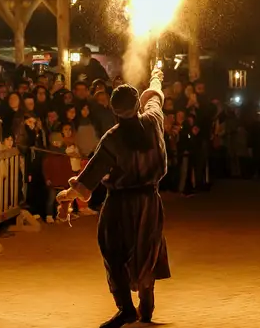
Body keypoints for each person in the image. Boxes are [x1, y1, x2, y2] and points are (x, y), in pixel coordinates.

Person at [56, 68, 171, 328]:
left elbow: (89, 178)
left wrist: (69, 193)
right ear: (136, 104)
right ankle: (146, 299)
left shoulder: (113, 137)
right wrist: (156, 76)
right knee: (146, 248)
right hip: (150, 201)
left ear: (114, 109)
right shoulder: (153, 120)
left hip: (120, 204)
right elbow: (156, 96)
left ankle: (126, 309)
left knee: (113, 250)